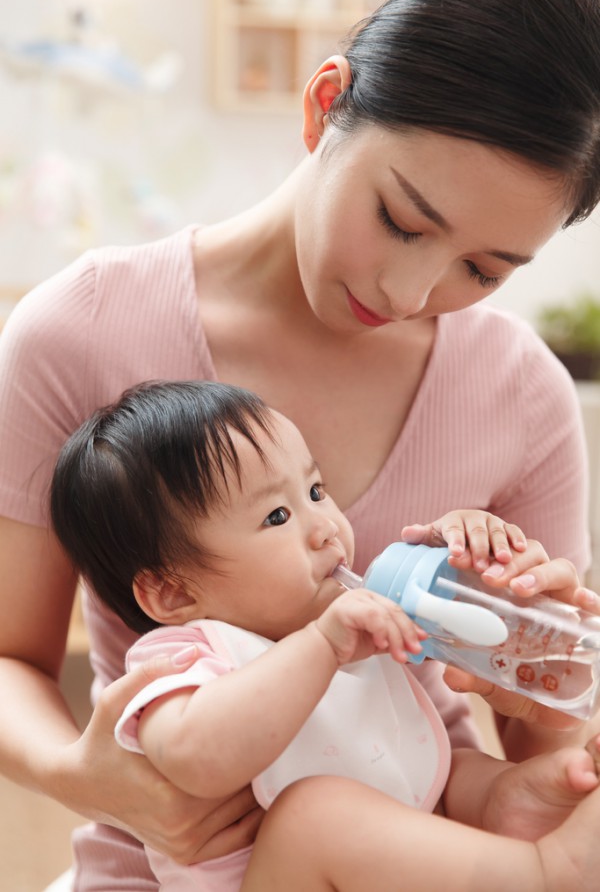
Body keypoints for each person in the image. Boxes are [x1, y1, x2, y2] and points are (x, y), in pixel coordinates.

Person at [0, 0, 599, 888]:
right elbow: (9, 653)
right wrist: (86, 775)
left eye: (481, 270)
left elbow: (530, 742)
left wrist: (528, 675)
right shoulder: (81, 331)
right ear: (325, 104)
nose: (409, 290)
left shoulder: (520, 391)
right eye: (402, 220)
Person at [49, 379, 600, 891]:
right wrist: (321, 647)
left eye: (316, 490)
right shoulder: (183, 658)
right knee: (314, 814)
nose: (326, 527)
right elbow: (195, 758)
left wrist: (476, 581)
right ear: (173, 594)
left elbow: (407, 781)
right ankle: (548, 874)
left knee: (445, 768)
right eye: (278, 515)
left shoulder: (355, 638)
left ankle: (507, 806)